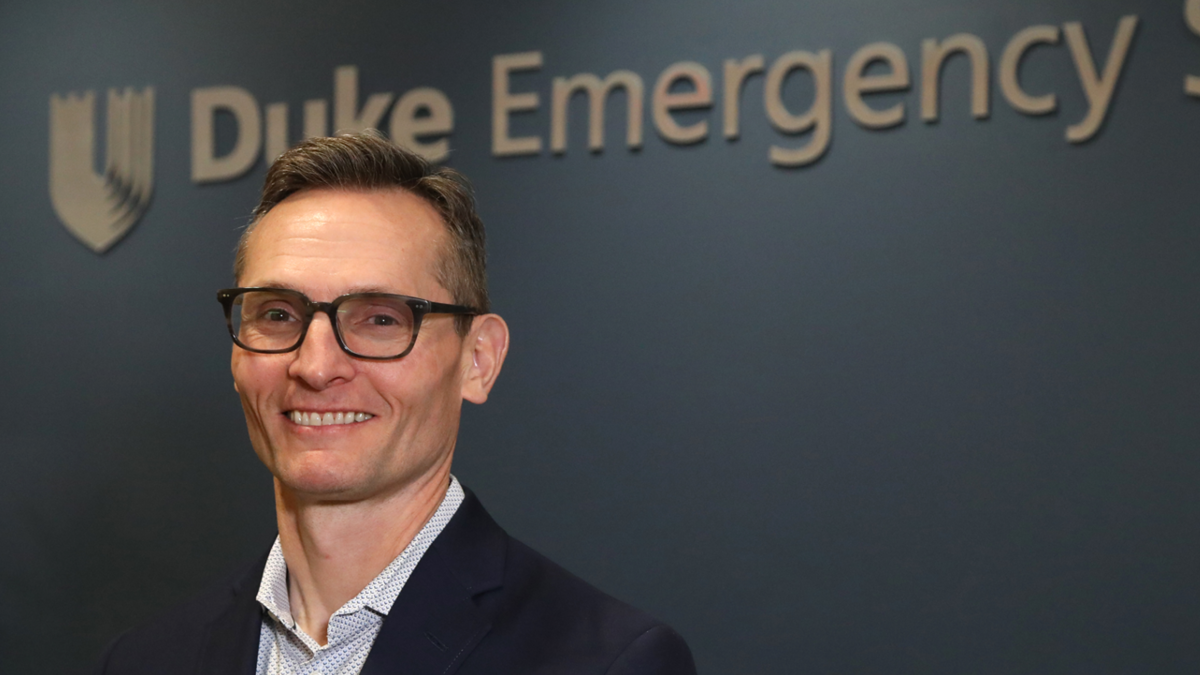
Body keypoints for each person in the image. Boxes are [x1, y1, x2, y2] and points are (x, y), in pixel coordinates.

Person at [93, 132, 695, 675]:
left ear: (478, 360)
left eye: (381, 319)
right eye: (278, 314)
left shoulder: (609, 662)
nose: (316, 366)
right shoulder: (145, 660)